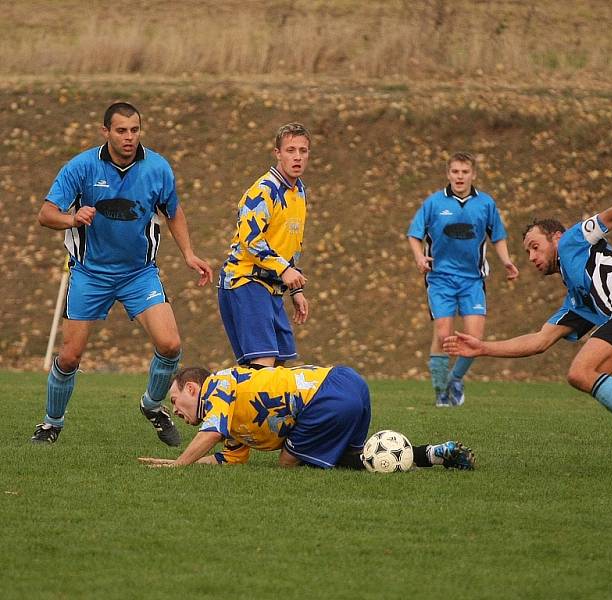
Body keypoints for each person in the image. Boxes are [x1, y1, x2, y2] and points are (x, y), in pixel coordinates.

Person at [444, 160, 612, 476]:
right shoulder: (578, 297)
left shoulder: (574, 241)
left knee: (580, 371)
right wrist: (482, 348)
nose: (533, 258)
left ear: (556, 237)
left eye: (535, 247)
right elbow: (539, 341)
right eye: (527, 254)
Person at [30, 102, 213, 447]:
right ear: (106, 132)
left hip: (138, 274)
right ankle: (51, 423)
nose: (129, 137)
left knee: (170, 345)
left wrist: (188, 253)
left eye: (134, 130)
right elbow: (46, 214)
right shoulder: (82, 166)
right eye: (121, 130)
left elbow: (173, 212)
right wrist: (73, 219)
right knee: (69, 357)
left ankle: (152, 406)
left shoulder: (157, 167)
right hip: (89, 273)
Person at [137, 364, 476, 470]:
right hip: (349, 382)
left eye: (175, 399)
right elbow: (229, 458)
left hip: (325, 397)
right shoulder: (227, 415)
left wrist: (178, 465)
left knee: (289, 464)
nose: (176, 411)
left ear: (193, 388)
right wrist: (188, 462)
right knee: (360, 460)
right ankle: (432, 453)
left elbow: (211, 433)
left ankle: (430, 454)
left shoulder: (218, 387)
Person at [407, 152, 519, 407]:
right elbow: (414, 235)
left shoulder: (486, 204)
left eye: (464, 172)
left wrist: (506, 261)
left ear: (473, 175)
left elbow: (497, 236)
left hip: (472, 280)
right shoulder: (434, 203)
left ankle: (455, 379)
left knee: (474, 339)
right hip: (441, 279)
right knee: (444, 334)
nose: (459, 176)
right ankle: (440, 392)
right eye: (455, 172)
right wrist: (419, 258)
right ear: (448, 174)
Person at [217, 123, 311, 368]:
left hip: (272, 286)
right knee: (263, 363)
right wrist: (284, 270)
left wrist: (296, 289)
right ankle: (220, 400)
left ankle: (247, 403)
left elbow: (291, 244)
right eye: (291, 150)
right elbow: (252, 241)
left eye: (303, 150)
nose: (298, 156)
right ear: (277, 153)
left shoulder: (299, 191)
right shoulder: (263, 191)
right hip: (245, 281)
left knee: (281, 364)